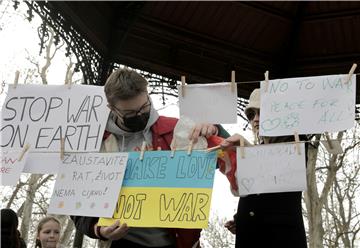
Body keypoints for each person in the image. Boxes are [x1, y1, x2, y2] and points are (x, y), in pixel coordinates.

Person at [71, 68, 228, 248]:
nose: (140, 115)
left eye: (144, 107)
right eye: (130, 113)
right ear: (111, 108)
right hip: (124, 242)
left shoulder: (176, 130)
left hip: (176, 241)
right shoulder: (96, 143)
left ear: (147, 95)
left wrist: (214, 129)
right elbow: (75, 201)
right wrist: (97, 229)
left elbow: (226, 154)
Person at [221, 88, 308, 247]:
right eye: (251, 114)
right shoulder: (260, 147)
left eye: (262, 112)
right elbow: (260, 197)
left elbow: (275, 174)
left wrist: (246, 148)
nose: (255, 119)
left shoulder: (296, 143)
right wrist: (242, 218)